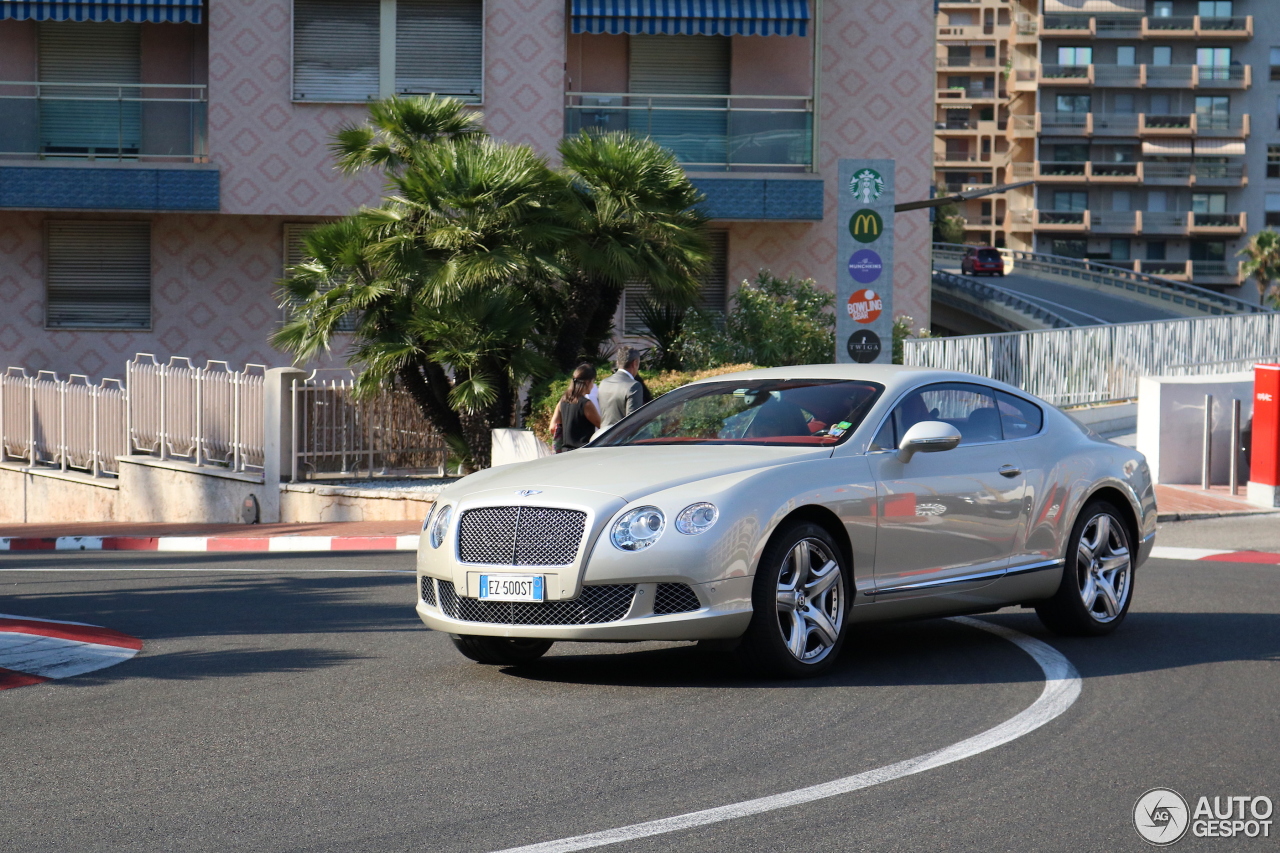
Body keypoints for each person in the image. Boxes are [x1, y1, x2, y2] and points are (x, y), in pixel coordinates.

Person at [550, 363, 601, 452]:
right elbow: (602, 426)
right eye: (593, 382)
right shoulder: (586, 404)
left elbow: (552, 428)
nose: (593, 386)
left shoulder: (562, 401)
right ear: (587, 382)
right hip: (583, 452)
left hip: (565, 452)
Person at [598, 347, 644, 429]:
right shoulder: (634, 386)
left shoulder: (603, 383)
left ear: (618, 362)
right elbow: (632, 422)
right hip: (622, 438)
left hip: (603, 437)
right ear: (635, 363)